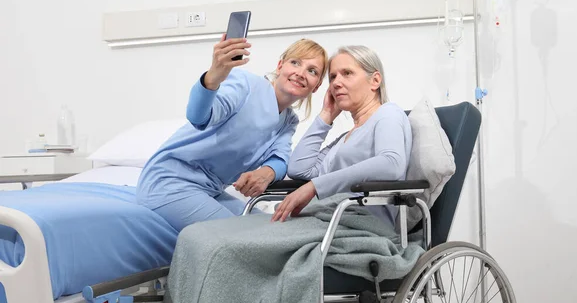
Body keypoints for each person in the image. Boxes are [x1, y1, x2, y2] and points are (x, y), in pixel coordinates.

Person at [137, 35, 328, 231]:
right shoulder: (245, 85)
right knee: (241, 236)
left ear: (317, 86)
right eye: (295, 62)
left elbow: (280, 159)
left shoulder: (288, 120)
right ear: (280, 66)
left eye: (312, 71)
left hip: (209, 190)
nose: (301, 73)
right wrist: (212, 77)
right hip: (170, 182)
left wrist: (267, 173)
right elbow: (199, 116)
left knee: (274, 229)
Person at [271, 45, 412, 228]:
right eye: (333, 77)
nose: (336, 83)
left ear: (375, 80)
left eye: (347, 73)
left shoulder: (388, 113)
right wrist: (326, 115)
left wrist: (315, 186)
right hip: (329, 219)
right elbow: (299, 170)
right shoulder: (347, 137)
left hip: (360, 224)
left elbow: (392, 163)